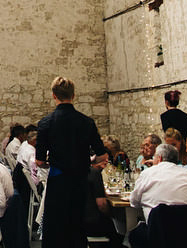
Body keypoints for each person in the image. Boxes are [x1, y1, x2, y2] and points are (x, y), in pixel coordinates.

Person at [36, 76, 106, 248]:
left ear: (54, 95)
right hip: (80, 181)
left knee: (55, 227)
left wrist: (48, 162)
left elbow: (38, 161)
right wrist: (89, 162)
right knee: (77, 225)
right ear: (73, 95)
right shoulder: (86, 122)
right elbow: (102, 156)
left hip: (58, 180)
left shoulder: (46, 123)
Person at [126, 143, 187, 248]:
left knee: (134, 234)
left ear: (159, 158)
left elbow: (134, 202)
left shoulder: (148, 173)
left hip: (158, 233)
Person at [84, 152, 122, 241]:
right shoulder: (94, 173)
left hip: (76, 223)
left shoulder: (78, 172)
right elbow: (102, 205)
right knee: (119, 225)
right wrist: (112, 214)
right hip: (92, 224)